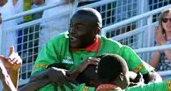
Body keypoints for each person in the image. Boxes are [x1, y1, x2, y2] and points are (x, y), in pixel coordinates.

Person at [31, 8, 159, 84]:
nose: (72, 31)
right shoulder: (56, 44)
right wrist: (50, 72)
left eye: (78, 27)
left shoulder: (115, 49)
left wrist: (151, 88)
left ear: (96, 31)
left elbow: (151, 75)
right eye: (71, 26)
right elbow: (34, 77)